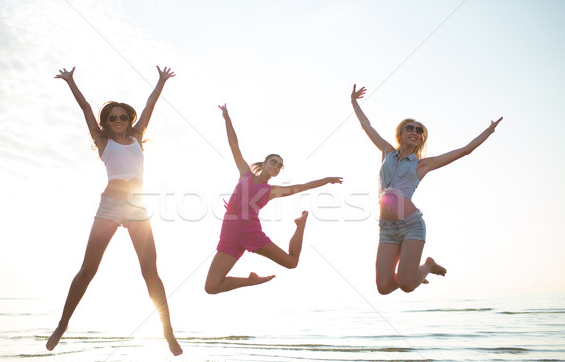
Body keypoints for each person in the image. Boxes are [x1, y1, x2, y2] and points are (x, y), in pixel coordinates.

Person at [46, 66, 182, 356]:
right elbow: (84, 107)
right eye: (112, 117)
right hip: (109, 207)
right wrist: (71, 81)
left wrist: (160, 81)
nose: (118, 120)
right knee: (88, 269)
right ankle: (62, 324)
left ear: (128, 119)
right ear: (106, 122)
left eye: (122, 116)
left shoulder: (136, 136)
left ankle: (167, 331)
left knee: (150, 271)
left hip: (137, 206)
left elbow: (150, 105)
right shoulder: (102, 141)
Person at [350, 84, 502, 295]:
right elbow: (366, 125)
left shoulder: (421, 165)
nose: (415, 132)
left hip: (411, 225)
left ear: (421, 138)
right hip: (387, 228)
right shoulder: (386, 151)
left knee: (406, 286)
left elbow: (465, 150)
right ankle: (414, 274)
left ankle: (427, 267)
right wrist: (354, 102)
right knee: (383, 288)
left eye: (419, 131)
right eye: (410, 128)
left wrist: (489, 130)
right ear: (400, 134)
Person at [204, 104, 343, 294]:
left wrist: (326, 180)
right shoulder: (244, 173)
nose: (276, 167)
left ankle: (300, 225)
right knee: (211, 287)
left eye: (279, 166)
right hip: (229, 233)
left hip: (250, 231)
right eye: (273, 162)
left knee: (291, 262)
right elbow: (233, 145)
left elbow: (303, 187)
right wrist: (226, 117)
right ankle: (252, 281)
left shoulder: (272, 190)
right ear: (265, 162)